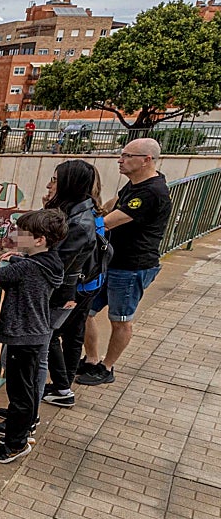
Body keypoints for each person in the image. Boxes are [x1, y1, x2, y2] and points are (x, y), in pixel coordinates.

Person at [77, 137, 172, 386]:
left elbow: (109, 222)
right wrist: (95, 212)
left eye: (128, 156)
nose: (121, 160)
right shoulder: (135, 185)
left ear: (146, 160)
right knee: (84, 311)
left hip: (132, 267)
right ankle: (92, 360)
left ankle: (106, 367)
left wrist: (76, 226)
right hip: (111, 262)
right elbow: (112, 206)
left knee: (120, 320)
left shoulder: (152, 192)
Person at [0, 209, 66, 463]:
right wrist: (13, 261)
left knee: (19, 393)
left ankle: (15, 444)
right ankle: (23, 431)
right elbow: (21, 275)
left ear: (39, 240)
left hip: (22, 336)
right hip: (36, 334)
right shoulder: (49, 263)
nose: (16, 235)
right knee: (24, 390)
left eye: (22, 233)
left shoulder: (28, 268)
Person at [41, 161, 106, 408]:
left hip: (64, 290)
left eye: (55, 180)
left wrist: (19, 260)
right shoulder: (77, 213)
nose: (49, 184)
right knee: (56, 336)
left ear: (69, 184)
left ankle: (57, 392)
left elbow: (51, 262)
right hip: (75, 287)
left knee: (48, 337)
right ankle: (62, 387)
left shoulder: (78, 222)